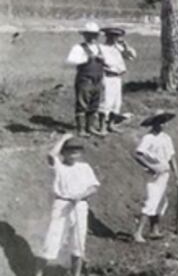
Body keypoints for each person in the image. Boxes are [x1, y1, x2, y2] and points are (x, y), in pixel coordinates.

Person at [35, 135, 99, 276]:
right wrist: (63, 138)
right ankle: (38, 273)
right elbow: (51, 154)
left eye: (76, 150)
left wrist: (81, 195)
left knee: (78, 242)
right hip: (62, 204)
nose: (73, 153)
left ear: (81, 153)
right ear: (63, 152)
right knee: (52, 240)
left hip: (80, 205)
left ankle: (76, 274)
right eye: (69, 150)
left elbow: (93, 187)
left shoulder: (85, 167)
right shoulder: (58, 166)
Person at [133, 110, 178, 243]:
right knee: (151, 201)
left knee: (161, 202)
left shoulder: (166, 138)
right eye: (160, 121)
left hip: (165, 173)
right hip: (153, 175)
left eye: (164, 122)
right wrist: (151, 166)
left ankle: (154, 230)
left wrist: (177, 175)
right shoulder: (148, 138)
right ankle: (138, 233)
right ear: (154, 123)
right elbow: (138, 154)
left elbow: (172, 157)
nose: (163, 124)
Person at [65, 23, 107, 137]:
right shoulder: (78, 48)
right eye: (90, 34)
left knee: (95, 104)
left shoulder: (99, 48)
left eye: (95, 35)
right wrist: (87, 58)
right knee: (82, 103)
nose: (93, 37)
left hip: (98, 79)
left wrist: (103, 60)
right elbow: (70, 60)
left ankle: (91, 127)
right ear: (85, 35)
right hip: (85, 79)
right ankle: (81, 129)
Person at [98, 27, 136, 134]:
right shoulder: (101, 48)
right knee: (106, 102)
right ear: (107, 36)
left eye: (117, 36)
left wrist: (125, 45)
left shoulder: (119, 48)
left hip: (117, 77)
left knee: (116, 102)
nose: (114, 38)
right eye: (112, 36)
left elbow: (132, 56)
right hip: (107, 76)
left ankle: (111, 124)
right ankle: (102, 126)